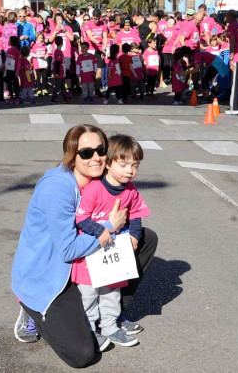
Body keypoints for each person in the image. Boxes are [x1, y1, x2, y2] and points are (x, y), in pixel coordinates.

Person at [11, 124, 158, 368]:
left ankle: (110, 313)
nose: (97, 158)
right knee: (82, 354)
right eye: (86, 153)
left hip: (82, 263)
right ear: (72, 155)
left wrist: (130, 232)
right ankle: (32, 309)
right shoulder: (57, 188)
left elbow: (131, 204)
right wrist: (109, 227)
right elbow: (67, 250)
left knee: (145, 238)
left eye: (101, 150)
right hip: (51, 273)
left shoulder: (101, 179)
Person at [73, 134, 150, 349]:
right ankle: (88, 328)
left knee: (111, 291)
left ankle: (109, 326)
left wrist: (135, 234)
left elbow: (136, 213)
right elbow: (81, 218)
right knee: (88, 294)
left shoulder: (131, 190)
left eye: (135, 165)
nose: (130, 171)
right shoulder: (94, 189)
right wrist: (101, 231)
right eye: (123, 164)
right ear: (107, 164)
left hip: (114, 252)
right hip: (91, 252)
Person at [30, 32, 49, 96]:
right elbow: (31, 54)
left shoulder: (44, 45)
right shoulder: (34, 45)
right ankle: (39, 89)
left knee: (44, 76)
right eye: (39, 38)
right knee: (38, 77)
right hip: (37, 63)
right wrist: (38, 56)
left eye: (41, 38)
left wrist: (46, 55)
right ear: (36, 38)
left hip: (43, 63)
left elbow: (47, 52)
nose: (40, 39)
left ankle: (44, 89)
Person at [51, 36, 68, 103]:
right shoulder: (58, 52)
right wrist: (57, 73)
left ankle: (65, 98)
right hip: (59, 72)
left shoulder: (59, 51)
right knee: (58, 86)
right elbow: (57, 63)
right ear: (62, 43)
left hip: (61, 72)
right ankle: (53, 98)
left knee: (62, 86)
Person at [5, 36, 21, 104]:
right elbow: (6, 59)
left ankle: (16, 97)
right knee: (9, 83)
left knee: (15, 84)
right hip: (8, 69)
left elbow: (19, 62)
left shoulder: (17, 51)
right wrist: (3, 65)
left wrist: (17, 71)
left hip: (14, 70)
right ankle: (11, 96)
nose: (8, 41)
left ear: (12, 42)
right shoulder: (8, 50)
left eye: (9, 40)